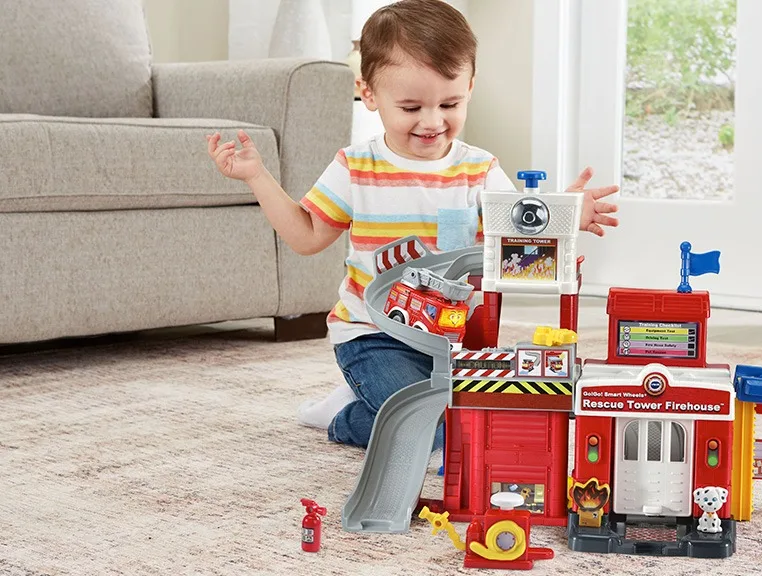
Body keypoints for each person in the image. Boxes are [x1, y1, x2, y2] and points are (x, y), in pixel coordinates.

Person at [205, 0, 619, 450]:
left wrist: (564, 215)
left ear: (470, 88)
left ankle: (368, 402)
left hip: (453, 340)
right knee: (436, 432)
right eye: (410, 107)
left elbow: (517, 239)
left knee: (484, 420)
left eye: (449, 103)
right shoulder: (356, 166)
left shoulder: (480, 170)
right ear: (369, 94)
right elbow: (306, 236)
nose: (432, 121)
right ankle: (343, 419)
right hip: (373, 335)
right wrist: (257, 177)